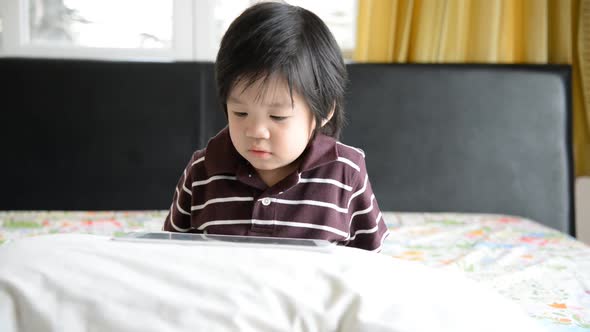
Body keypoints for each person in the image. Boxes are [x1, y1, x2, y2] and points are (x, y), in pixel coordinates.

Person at [163, 1, 389, 251]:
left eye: (278, 117)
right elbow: (173, 255)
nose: (256, 131)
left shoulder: (347, 172)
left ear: (323, 111)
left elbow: (370, 262)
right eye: (240, 112)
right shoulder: (202, 172)